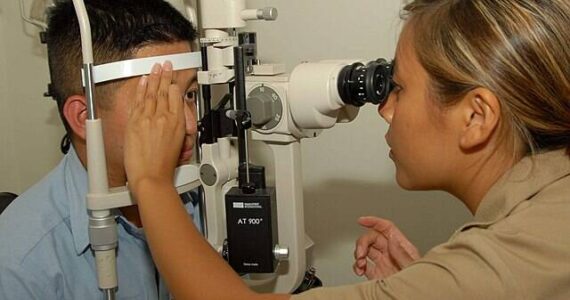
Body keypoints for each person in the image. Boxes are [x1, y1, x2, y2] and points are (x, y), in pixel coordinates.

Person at [125, 0, 570, 299]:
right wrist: (425, 282)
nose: (385, 110)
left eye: (398, 88)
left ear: (476, 118)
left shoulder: (498, 271)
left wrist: (150, 181)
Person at [0, 0, 200, 299]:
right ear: (84, 118)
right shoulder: (21, 262)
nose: (189, 124)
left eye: (190, 94)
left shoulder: (206, 202)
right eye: (157, 103)